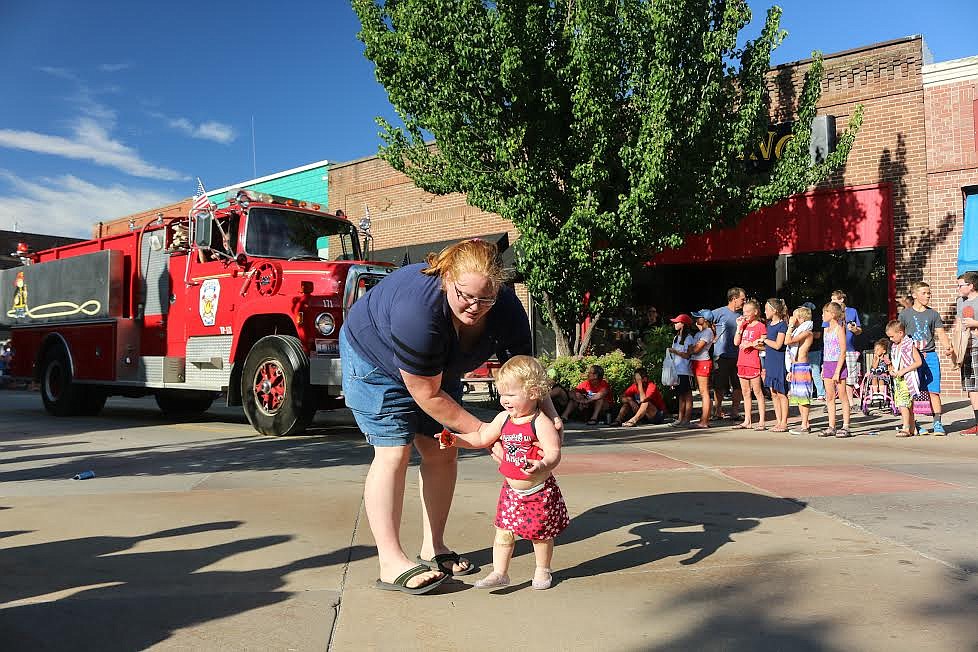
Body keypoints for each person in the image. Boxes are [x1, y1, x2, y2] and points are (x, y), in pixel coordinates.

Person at [339, 239, 561, 595]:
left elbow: (523, 372)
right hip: (374, 359)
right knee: (394, 450)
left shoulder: (506, 309)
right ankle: (390, 560)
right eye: (465, 296)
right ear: (446, 279)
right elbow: (425, 393)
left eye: (485, 299)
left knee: (442, 449)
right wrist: (486, 432)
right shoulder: (419, 311)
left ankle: (434, 547)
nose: (475, 307)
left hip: (438, 366)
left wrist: (547, 412)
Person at [439, 355, 569, 590]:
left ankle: (542, 570)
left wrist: (542, 465)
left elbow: (553, 452)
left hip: (538, 490)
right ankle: (500, 572)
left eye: (511, 395)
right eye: (502, 394)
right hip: (511, 491)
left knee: (540, 535)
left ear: (533, 393)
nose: (505, 400)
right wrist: (455, 439)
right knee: (503, 533)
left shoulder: (540, 422)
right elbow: (480, 437)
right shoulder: (503, 419)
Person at [899, 281, 952, 435]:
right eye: (924, 293)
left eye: (929, 293)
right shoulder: (905, 314)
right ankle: (914, 424)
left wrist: (948, 347)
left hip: (930, 356)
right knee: (912, 392)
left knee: (933, 391)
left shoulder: (933, 314)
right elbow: (899, 335)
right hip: (911, 359)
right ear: (914, 295)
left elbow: (940, 333)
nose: (928, 295)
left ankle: (937, 424)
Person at [712, 288, 746, 420]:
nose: (744, 301)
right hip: (721, 355)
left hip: (738, 355)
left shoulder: (742, 314)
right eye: (742, 299)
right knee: (719, 385)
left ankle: (735, 412)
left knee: (738, 385)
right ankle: (718, 411)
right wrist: (712, 334)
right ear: (734, 298)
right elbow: (700, 321)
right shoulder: (719, 312)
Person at [885, 320, 923, 438]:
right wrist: (891, 368)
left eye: (892, 336)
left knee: (903, 404)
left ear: (900, 333)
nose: (891, 339)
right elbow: (895, 363)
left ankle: (906, 427)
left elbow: (918, 362)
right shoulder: (895, 347)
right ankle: (912, 427)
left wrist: (903, 371)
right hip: (898, 379)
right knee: (906, 404)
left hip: (908, 378)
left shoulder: (909, 346)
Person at [820, 301, 852, 438]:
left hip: (837, 364)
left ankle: (845, 426)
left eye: (824, 312)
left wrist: (838, 370)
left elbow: (843, 351)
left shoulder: (839, 329)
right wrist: (823, 367)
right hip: (827, 363)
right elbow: (826, 349)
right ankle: (831, 425)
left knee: (843, 395)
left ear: (832, 314)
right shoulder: (826, 329)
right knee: (830, 396)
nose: (822, 315)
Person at [733, 300, 767, 430]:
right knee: (745, 392)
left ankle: (761, 421)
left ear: (755, 312)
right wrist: (739, 327)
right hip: (742, 361)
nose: (745, 314)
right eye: (743, 312)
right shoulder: (744, 325)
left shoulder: (760, 326)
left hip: (753, 362)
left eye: (747, 312)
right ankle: (747, 420)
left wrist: (751, 344)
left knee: (757, 392)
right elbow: (736, 342)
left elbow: (764, 345)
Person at [953, 271, 978, 435]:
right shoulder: (960, 302)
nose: (958, 288)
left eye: (961, 285)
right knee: (971, 387)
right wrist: (953, 347)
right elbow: (957, 324)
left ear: (971, 286)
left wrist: (975, 323)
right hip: (966, 348)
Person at [827, 290, 863, 401]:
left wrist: (854, 329)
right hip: (833, 350)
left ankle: (850, 402)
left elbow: (859, 330)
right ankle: (830, 401)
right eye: (831, 299)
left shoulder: (852, 311)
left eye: (834, 299)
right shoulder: (829, 312)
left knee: (849, 377)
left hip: (849, 348)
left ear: (841, 299)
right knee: (832, 375)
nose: (832, 302)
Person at [785, 306, 815, 435]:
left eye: (795, 317)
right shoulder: (798, 331)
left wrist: (790, 326)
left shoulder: (807, 332)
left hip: (802, 366)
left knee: (804, 396)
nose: (792, 319)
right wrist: (790, 370)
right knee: (797, 396)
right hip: (795, 366)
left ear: (801, 319)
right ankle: (805, 423)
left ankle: (804, 423)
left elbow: (787, 341)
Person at [761, 299, 789, 432]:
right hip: (770, 360)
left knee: (781, 392)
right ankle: (778, 421)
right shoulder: (769, 324)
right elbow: (768, 345)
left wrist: (764, 340)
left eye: (767, 309)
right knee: (773, 392)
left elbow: (778, 345)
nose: (765, 311)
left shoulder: (782, 325)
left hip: (779, 361)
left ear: (774, 310)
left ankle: (784, 422)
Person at [689, 309, 716, 428]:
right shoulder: (702, 332)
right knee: (702, 391)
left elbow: (695, 349)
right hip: (697, 361)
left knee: (704, 392)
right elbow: (692, 348)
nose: (696, 319)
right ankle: (703, 420)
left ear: (705, 320)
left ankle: (704, 421)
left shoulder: (707, 332)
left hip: (703, 362)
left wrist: (691, 349)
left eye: (698, 317)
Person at [668, 314, 696, 427]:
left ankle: (687, 419)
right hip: (677, 371)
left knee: (687, 395)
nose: (675, 324)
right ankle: (680, 418)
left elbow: (688, 355)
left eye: (677, 322)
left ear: (683, 324)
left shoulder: (689, 338)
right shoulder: (676, 338)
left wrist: (675, 352)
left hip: (686, 371)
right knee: (680, 395)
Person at [803, 301, 826, 402]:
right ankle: (809, 393)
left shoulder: (816, 321)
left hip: (814, 349)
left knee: (815, 372)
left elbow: (817, 335)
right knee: (805, 373)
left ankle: (821, 393)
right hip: (805, 350)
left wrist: (806, 334)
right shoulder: (803, 323)